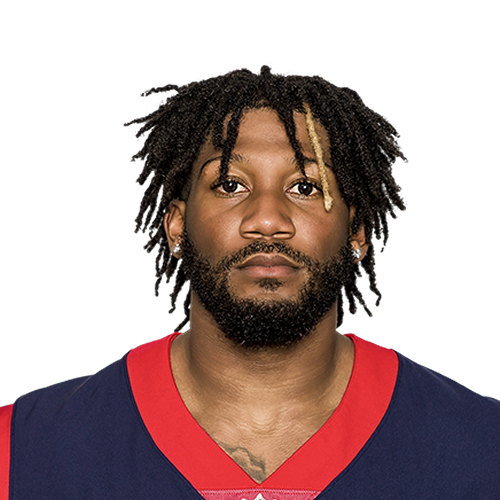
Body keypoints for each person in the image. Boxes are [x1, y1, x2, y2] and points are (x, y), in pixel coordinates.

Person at [1, 67, 498, 499]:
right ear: (176, 226)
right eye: (230, 184)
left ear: (357, 232)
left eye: (305, 187)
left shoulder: (482, 444)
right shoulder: (25, 448)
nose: (266, 220)